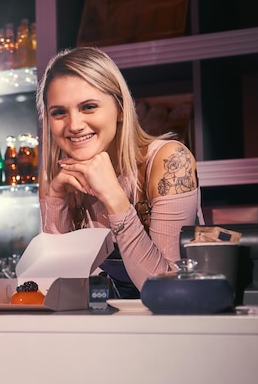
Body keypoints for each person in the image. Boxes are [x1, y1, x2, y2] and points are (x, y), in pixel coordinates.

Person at [36, 47, 204, 293]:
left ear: (121, 109)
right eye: (59, 112)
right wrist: (57, 202)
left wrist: (114, 198)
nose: (74, 125)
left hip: (183, 322)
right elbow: (58, 291)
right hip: (113, 324)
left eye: (89, 106)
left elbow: (168, 291)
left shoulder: (169, 161)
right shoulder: (57, 177)